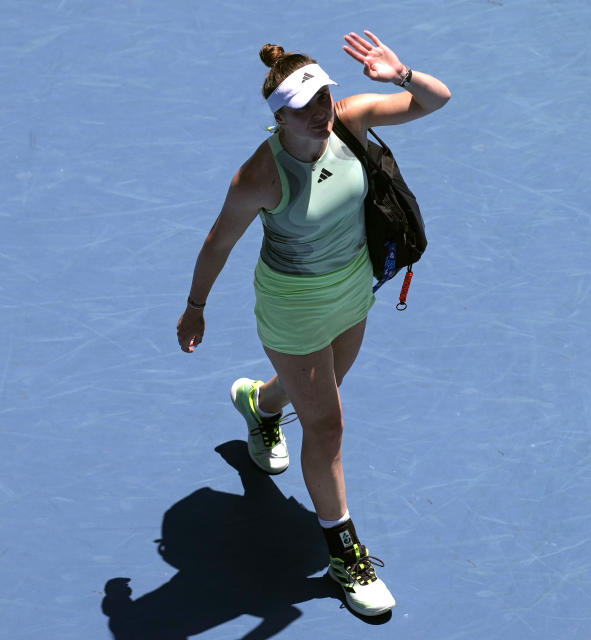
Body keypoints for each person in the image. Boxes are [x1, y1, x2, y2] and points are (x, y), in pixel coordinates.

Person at [176, 30, 450, 617]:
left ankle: (260, 403)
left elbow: (436, 100)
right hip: (293, 306)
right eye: (306, 109)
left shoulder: (349, 120)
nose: (323, 114)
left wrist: (399, 74)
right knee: (325, 426)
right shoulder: (259, 177)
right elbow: (218, 243)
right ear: (280, 119)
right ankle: (344, 554)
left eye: (326, 97)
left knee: (321, 390)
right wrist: (195, 305)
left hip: (354, 286)